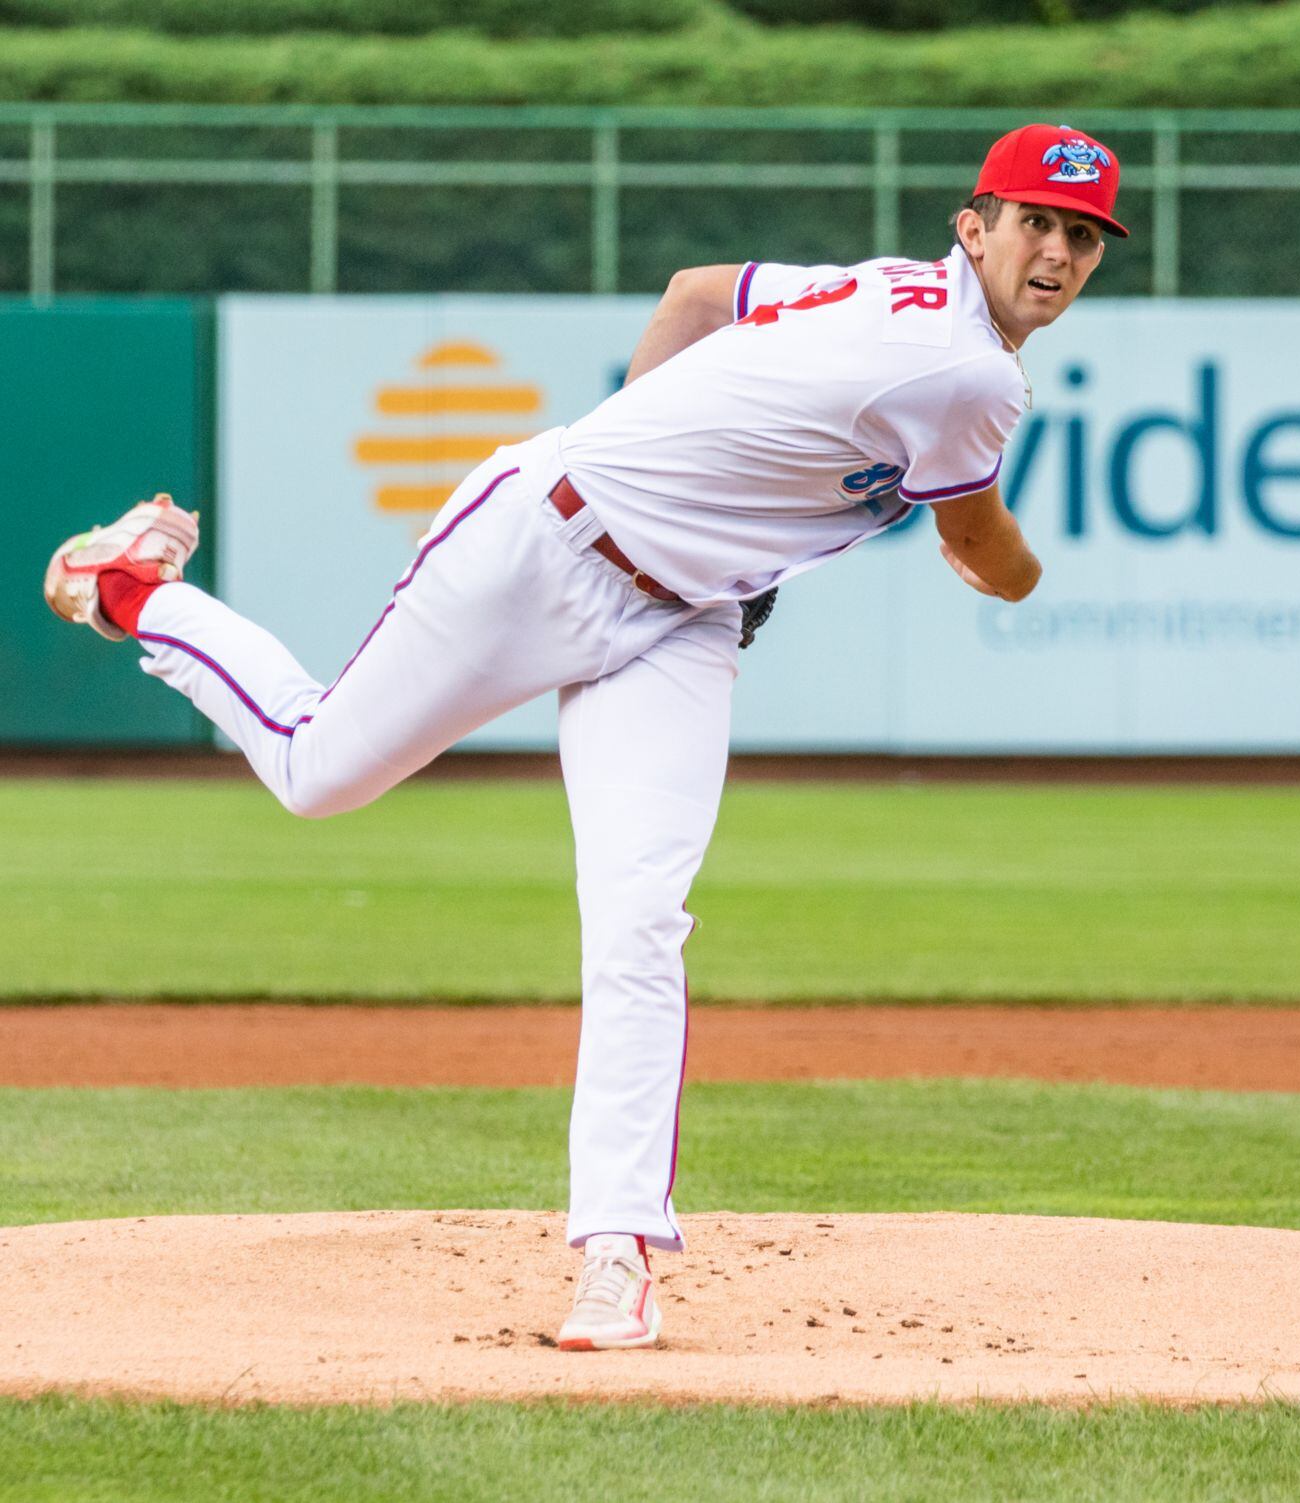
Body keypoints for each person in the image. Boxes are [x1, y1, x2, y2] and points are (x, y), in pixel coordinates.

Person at [41, 123, 1125, 1351]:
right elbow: (983, 551)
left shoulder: (882, 279)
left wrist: (677, 458)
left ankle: (617, 1252)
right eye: (1036, 220)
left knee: (641, 916)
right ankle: (136, 588)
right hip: (539, 547)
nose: (1058, 250)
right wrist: (1024, 579)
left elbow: (697, 294)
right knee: (316, 773)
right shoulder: (968, 372)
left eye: (1083, 235)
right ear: (973, 226)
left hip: (683, 623)